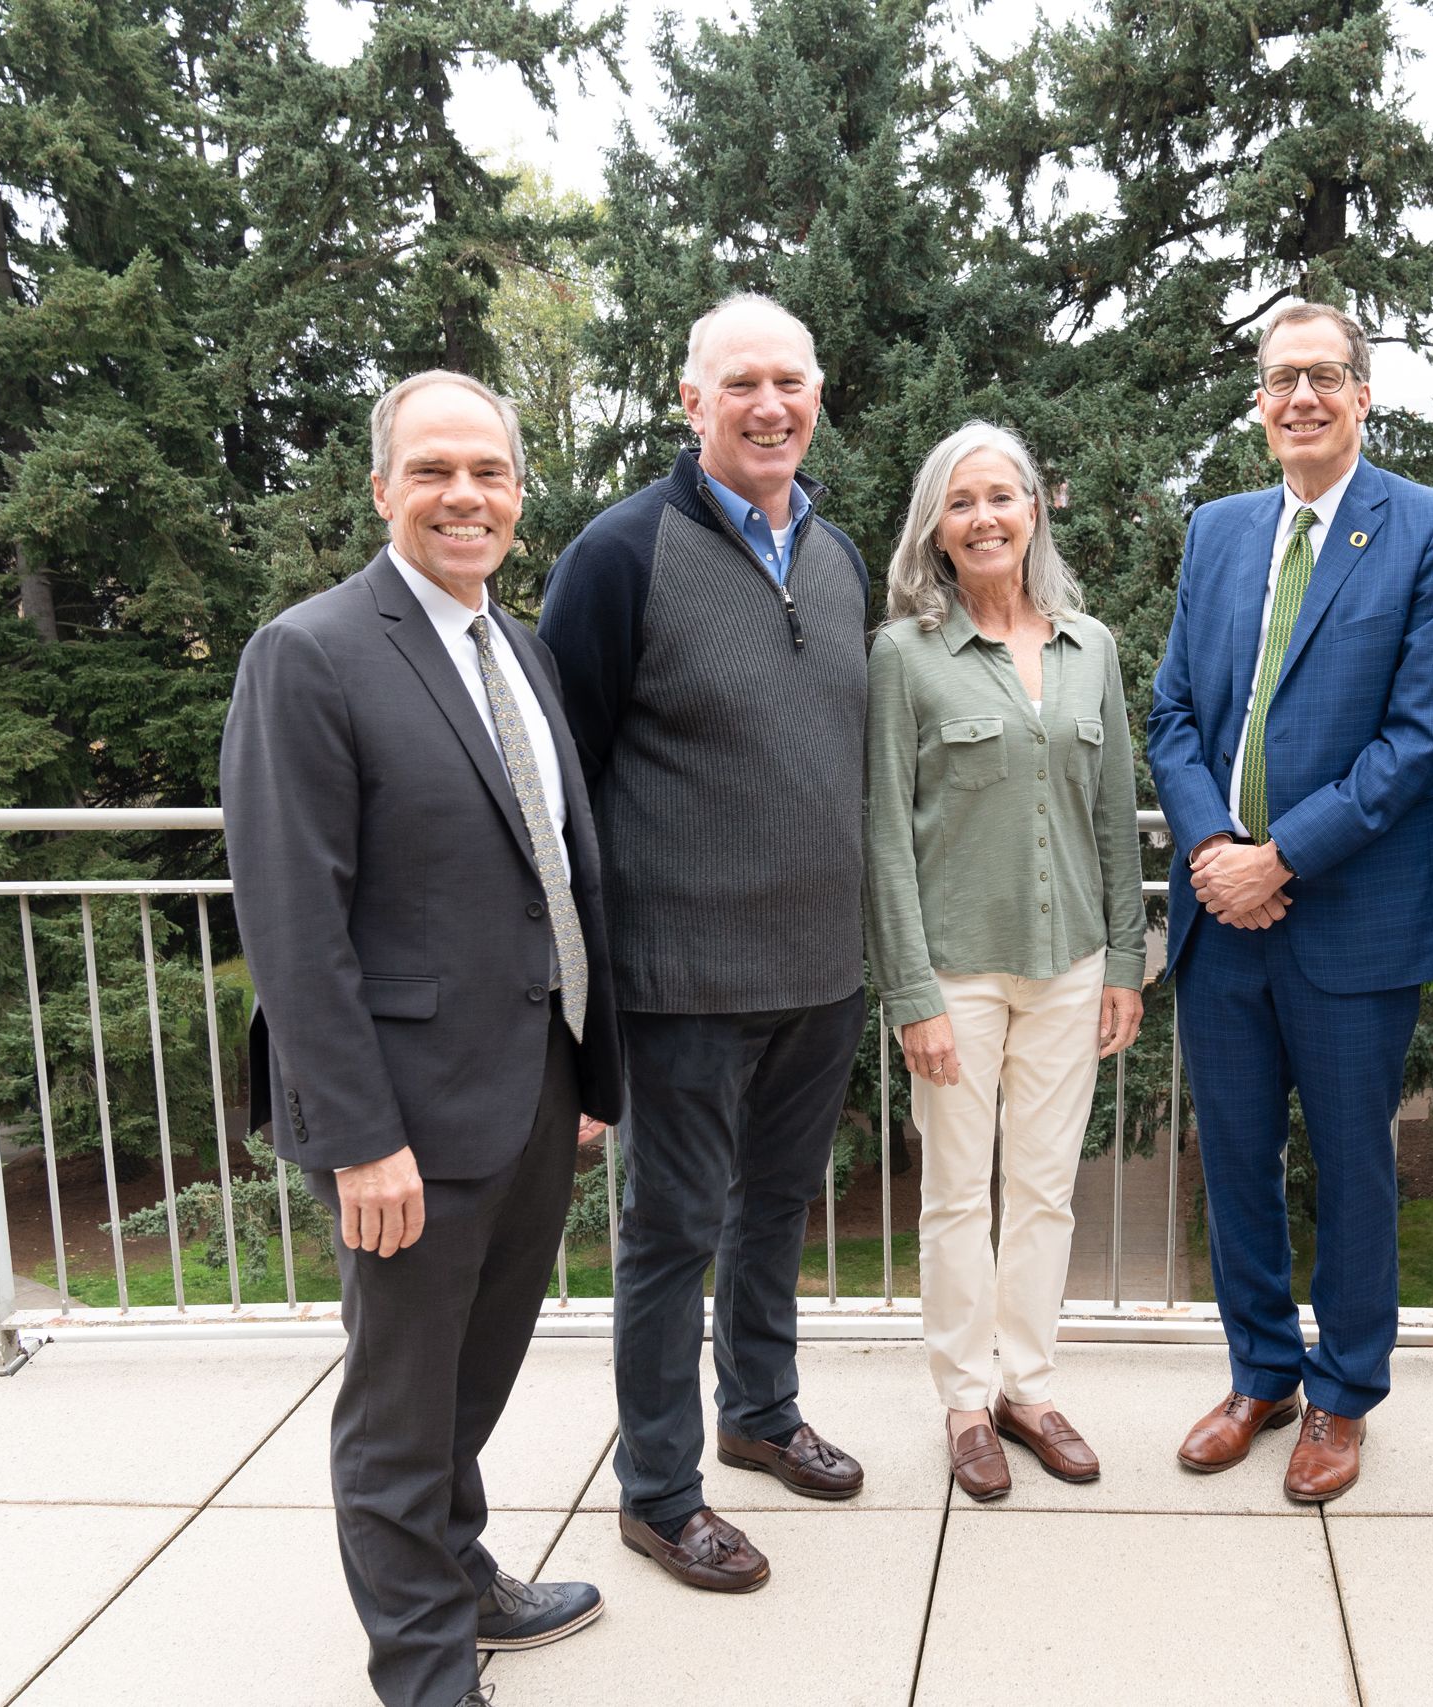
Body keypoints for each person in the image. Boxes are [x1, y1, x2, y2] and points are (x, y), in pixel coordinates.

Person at [223, 370, 626, 1707]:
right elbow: (295, 922)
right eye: (435, 470)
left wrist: (584, 1069)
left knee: (473, 1378)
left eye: (490, 472)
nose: (466, 495)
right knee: (399, 1413)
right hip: (401, 1116)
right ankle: (425, 1673)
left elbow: (552, 871)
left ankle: (460, 1576)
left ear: (518, 490)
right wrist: (358, 1137)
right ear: (381, 488)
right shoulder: (310, 652)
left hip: (533, 1085)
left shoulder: (519, 646)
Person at [538, 293, 872, 1594]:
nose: (769, 406)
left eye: (790, 380)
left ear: (818, 394)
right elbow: (561, 787)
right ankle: (661, 1492)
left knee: (775, 1206)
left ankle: (761, 1412)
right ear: (692, 402)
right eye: (740, 383)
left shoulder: (837, 557)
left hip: (819, 972)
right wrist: (582, 992)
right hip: (678, 983)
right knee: (670, 1236)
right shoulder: (621, 554)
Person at [1147, 300, 1433, 1504]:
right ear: (1258, 401)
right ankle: (1260, 1376)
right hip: (1218, 913)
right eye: (1281, 377)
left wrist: (1279, 858)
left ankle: (1342, 1395)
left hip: (1349, 916)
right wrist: (1212, 849)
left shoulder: (1428, 528)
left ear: (1362, 395)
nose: (1301, 397)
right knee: (1236, 1158)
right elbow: (1173, 714)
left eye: (1325, 376)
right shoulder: (1218, 530)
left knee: (1351, 1169)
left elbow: (1419, 736)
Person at [864, 420, 1149, 1501]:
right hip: (957, 972)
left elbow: (1114, 816)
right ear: (935, 529)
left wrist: (1125, 960)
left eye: (1002, 497)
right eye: (961, 502)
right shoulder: (904, 656)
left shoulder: (1092, 647)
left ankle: (1028, 1388)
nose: (984, 518)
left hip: (1071, 963)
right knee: (954, 1195)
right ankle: (963, 1400)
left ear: (1034, 509)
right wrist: (912, 992)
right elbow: (886, 836)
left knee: (1043, 1192)